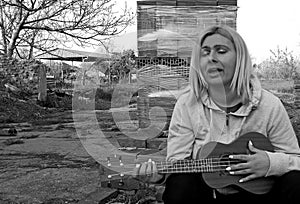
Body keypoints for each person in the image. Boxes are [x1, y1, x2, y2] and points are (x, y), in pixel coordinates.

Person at [133, 25, 300, 204]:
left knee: (296, 182)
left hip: (260, 193)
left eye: (221, 51)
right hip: (208, 194)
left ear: (240, 59)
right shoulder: (187, 104)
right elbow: (178, 161)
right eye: (204, 53)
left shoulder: (270, 105)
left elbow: (295, 160)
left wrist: (270, 163)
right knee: (180, 184)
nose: (211, 58)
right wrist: (159, 176)